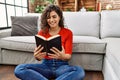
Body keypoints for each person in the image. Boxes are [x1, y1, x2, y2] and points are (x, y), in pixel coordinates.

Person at [14, 4, 85, 80]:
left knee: (79, 71)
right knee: (19, 69)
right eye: (48, 17)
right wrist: (37, 57)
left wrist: (62, 56)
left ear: (59, 17)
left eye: (54, 17)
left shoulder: (68, 33)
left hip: (62, 67)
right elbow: (39, 56)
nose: (51, 20)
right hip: (45, 66)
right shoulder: (41, 33)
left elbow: (68, 56)